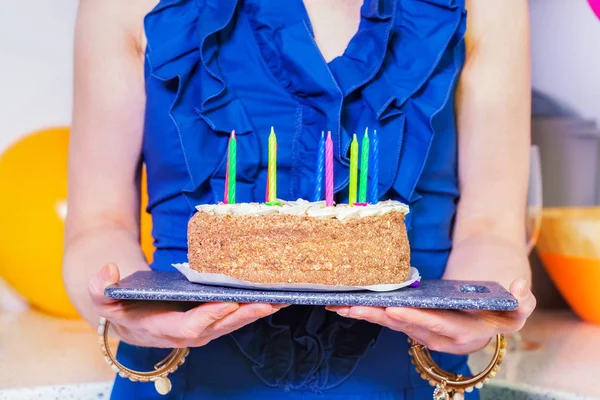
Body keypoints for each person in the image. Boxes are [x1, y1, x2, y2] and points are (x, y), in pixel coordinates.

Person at [63, 0, 536, 398]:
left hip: (415, 378)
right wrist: (126, 313)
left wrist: (486, 309)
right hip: (180, 373)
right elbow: (98, 225)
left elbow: (490, 228)